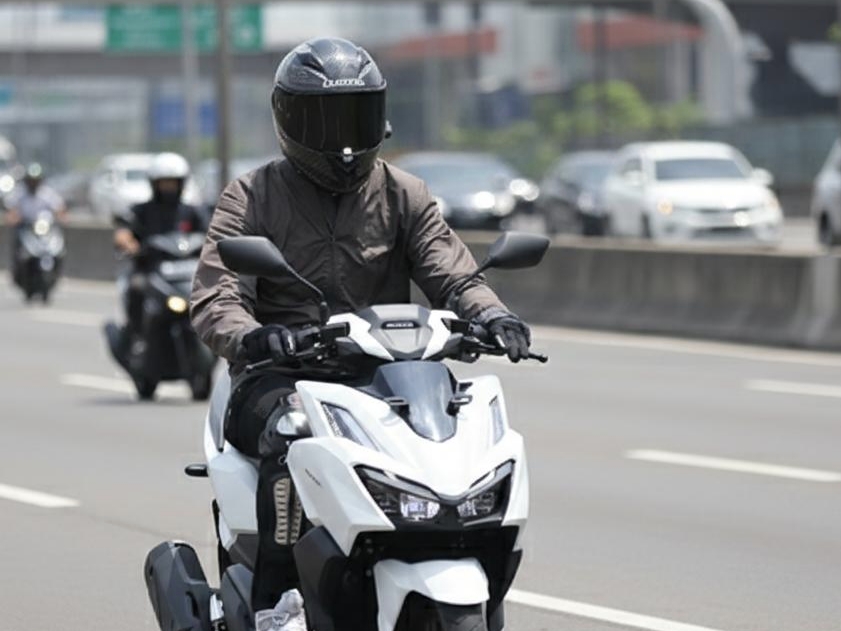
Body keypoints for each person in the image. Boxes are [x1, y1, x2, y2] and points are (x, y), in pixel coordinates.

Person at [190, 37, 532, 631]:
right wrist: (251, 337)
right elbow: (218, 293)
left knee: (470, 429)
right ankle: (276, 601)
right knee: (289, 433)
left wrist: (492, 315)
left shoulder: (404, 194)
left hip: (389, 375)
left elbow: (451, 271)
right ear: (289, 120)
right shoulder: (251, 196)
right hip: (283, 375)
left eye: (355, 117)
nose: (343, 140)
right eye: (324, 121)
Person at [113, 152, 206, 346]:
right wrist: (129, 244)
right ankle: (136, 337)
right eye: (164, 183)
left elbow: (211, 233)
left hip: (186, 272)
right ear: (154, 184)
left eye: (172, 183)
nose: (168, 188)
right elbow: (124, 232)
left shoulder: (192, 211)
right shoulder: (141, 210)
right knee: (136, 288)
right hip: (150, 270)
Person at [5, 163, 67, 286]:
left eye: (36, 181)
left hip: (43, 229)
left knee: (60, 250)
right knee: (20, 251)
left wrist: (62, 216)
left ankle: (56, 274)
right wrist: (14, 218)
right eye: (31, 181)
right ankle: (17, 270)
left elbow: (59, 208)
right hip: (26, 228)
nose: (33, 183)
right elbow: (12, 210)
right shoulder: (20, 194)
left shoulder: (47, 193)